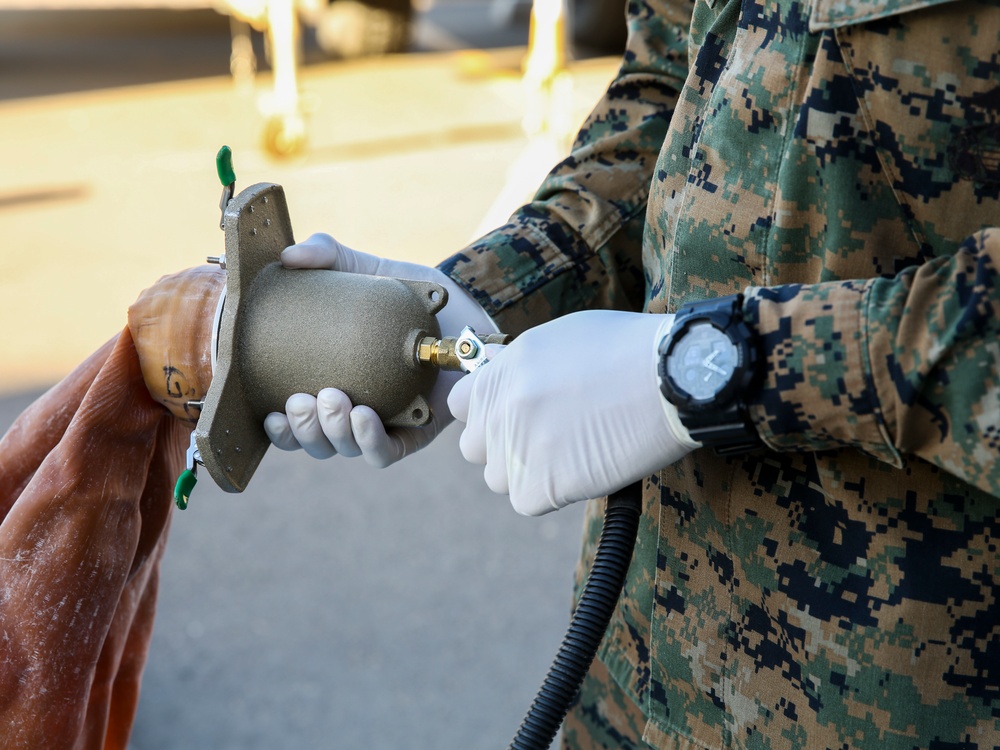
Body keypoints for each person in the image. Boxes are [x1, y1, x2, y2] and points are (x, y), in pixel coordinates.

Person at [264, 0, 1000, 747]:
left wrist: (711, 370)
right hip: (634, 664)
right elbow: (674, 81)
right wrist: (483, 300)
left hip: (898, 691)